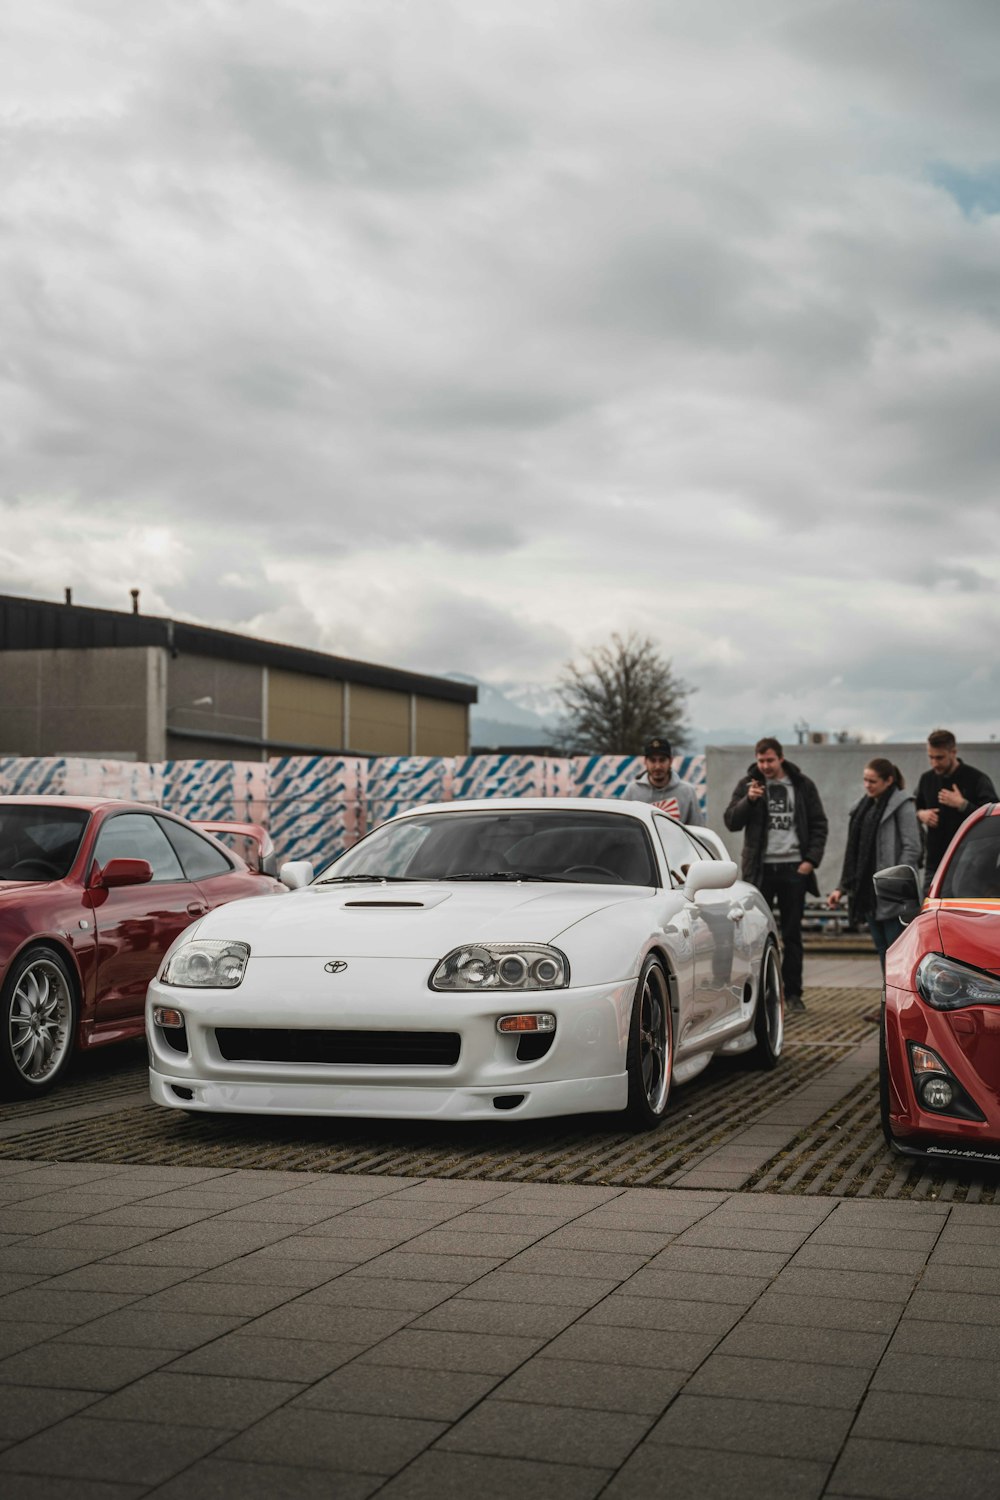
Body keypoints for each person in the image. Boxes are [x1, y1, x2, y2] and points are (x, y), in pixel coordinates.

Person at [724, 737, 828, 1012]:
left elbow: (819, 824)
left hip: (794, 869)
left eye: (770, 760)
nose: (765, 766)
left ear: (780, 758)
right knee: (756, 934)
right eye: (760, 761)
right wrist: (750, 800)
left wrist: (810, 861)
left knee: (792, 935)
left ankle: (793, 994)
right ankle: (761, 995)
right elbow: (731, 821)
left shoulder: (802, 784)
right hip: (760, 871)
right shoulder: (750, 785)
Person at [827, 759, 922, 971]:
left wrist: (895, 881)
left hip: (893, 895)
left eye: (873, 781)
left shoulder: (903, 804)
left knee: (898, 950)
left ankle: (899, 998)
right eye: (865, 780)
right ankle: (887, 994)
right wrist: (841, 888)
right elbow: (856, 852)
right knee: (882, 949)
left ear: (889, 780)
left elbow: (912, 847)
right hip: (868, 893)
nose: (867, 785)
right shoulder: (863, 807)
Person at [915, 729, 997, 888]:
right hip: (935, 863)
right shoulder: (927, 779)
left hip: (971, 865)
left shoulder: (976, 779)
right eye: (930, 757)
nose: (934, 763)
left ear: (953, 752)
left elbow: (993, 819)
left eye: (939, 758)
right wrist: (921, 814)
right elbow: (915, 807)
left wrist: (963, 805)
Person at [623, 736, 705, 826]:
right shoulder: (633, 791)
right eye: (652, 760)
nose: (657, 766)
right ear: (645, 762)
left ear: (670, 761)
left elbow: (698, 830)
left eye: (662, 760)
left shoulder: (687, 792)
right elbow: (624, 827)